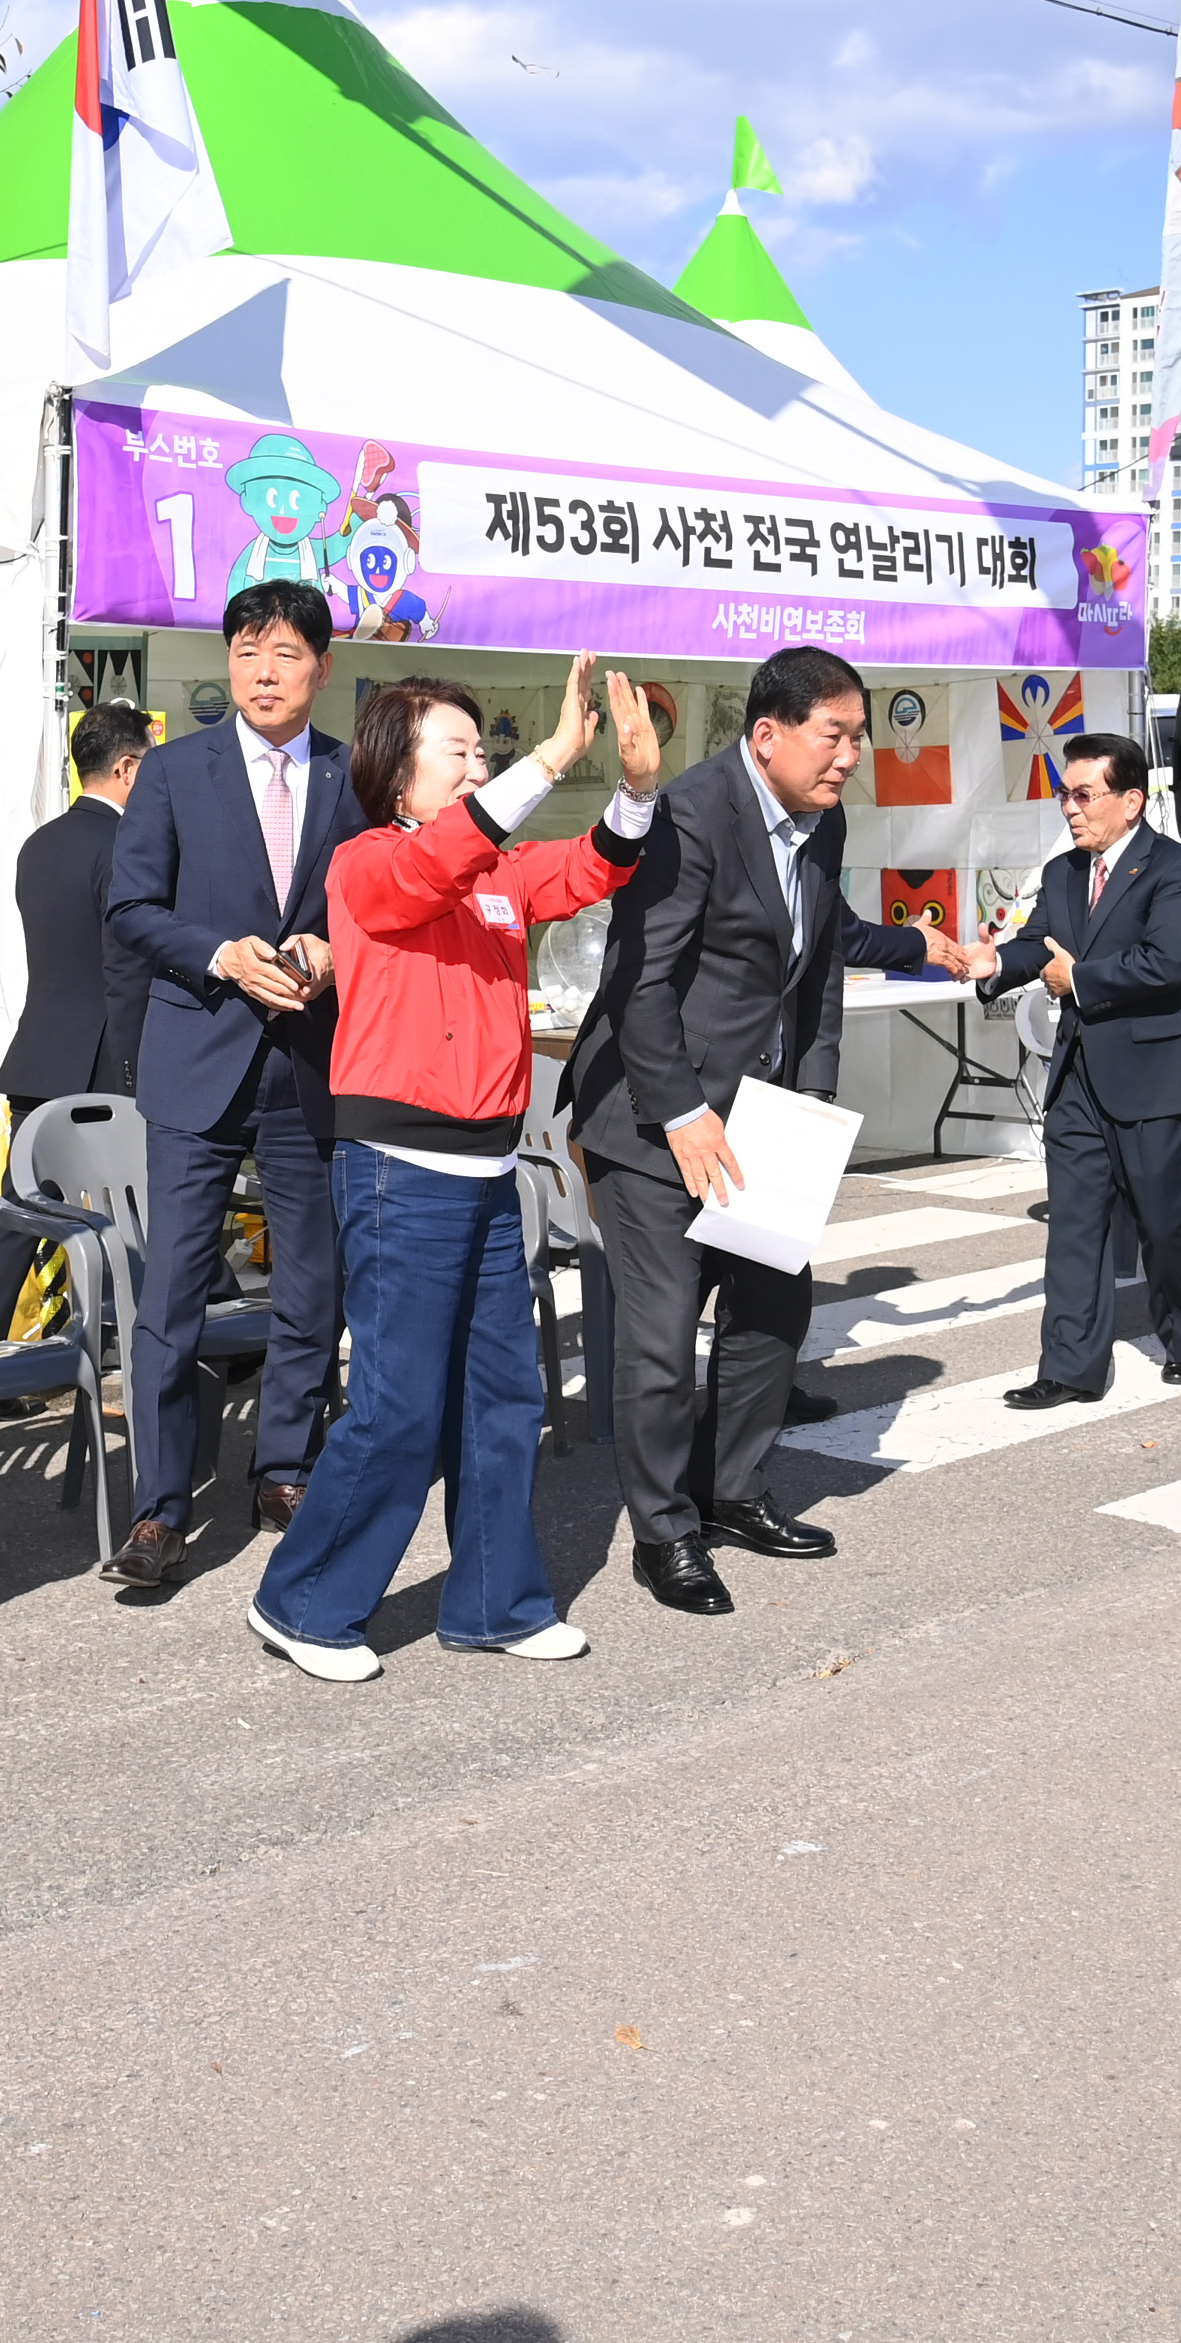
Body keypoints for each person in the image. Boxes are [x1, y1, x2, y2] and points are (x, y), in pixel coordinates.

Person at [244, 655, 663, 1681]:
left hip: (487, 1168)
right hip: (399, 1169)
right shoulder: (369, 864)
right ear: (396, 774)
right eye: (458, 751)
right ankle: (302, 1602)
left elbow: (591, 867)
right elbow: (443, 859)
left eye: (486, 751)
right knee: (398, 1405)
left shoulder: (496, 876)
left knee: (504, 1398)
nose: (479, 766)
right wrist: (556, 754)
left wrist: (636, 789)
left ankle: (494, 1602)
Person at [562, 646, 964, 1616]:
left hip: (765, 1115)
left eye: (858, 738)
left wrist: (811, 1104)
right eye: (836, 735)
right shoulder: (690, 816)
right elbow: (639, 983)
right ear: (769, 734)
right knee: (661, 1345)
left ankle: (731, 1493)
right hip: (657, 1119)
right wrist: (686, 1115)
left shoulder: (821, 821)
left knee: (772, 1318)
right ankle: (665, 1536)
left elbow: (817, 972)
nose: (850, 757)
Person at [101, 584, 362, 1588]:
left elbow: (384, 900)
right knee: (172, 1292)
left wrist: (335, 948)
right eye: (247, 651)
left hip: (309, 1063)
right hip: (198, 1058)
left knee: (311, 1285)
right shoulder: (173, 772)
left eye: (286, 653)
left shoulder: (354, 777)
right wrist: (218, 954)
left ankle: (285, 1468)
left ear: (320, 667)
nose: (263, 671)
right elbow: (129, 906)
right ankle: (161, 1509)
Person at [983, 731, 1181, 1407]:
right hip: (1081, 1075)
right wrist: (994, 964)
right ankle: (1070, 1367)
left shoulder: (1176, 869)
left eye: (1083, 794)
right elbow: (1037, 945)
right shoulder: (1063, 872)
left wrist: (1078, 979)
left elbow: (1167, 961)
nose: (1069, 808)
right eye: (1064, 793)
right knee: (1076, 1227)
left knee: (1166, 1225)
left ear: (1132, 800)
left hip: (1159, 1079)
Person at [0, 701, 155, 1376]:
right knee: (153, 1202)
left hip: (40, 1051)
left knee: (18, 1218)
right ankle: (191, 1339)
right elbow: (125, 967)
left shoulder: (41, 843)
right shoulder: (126, 845)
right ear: (125, 768)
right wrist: (135, 1066)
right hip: (102, 1060)